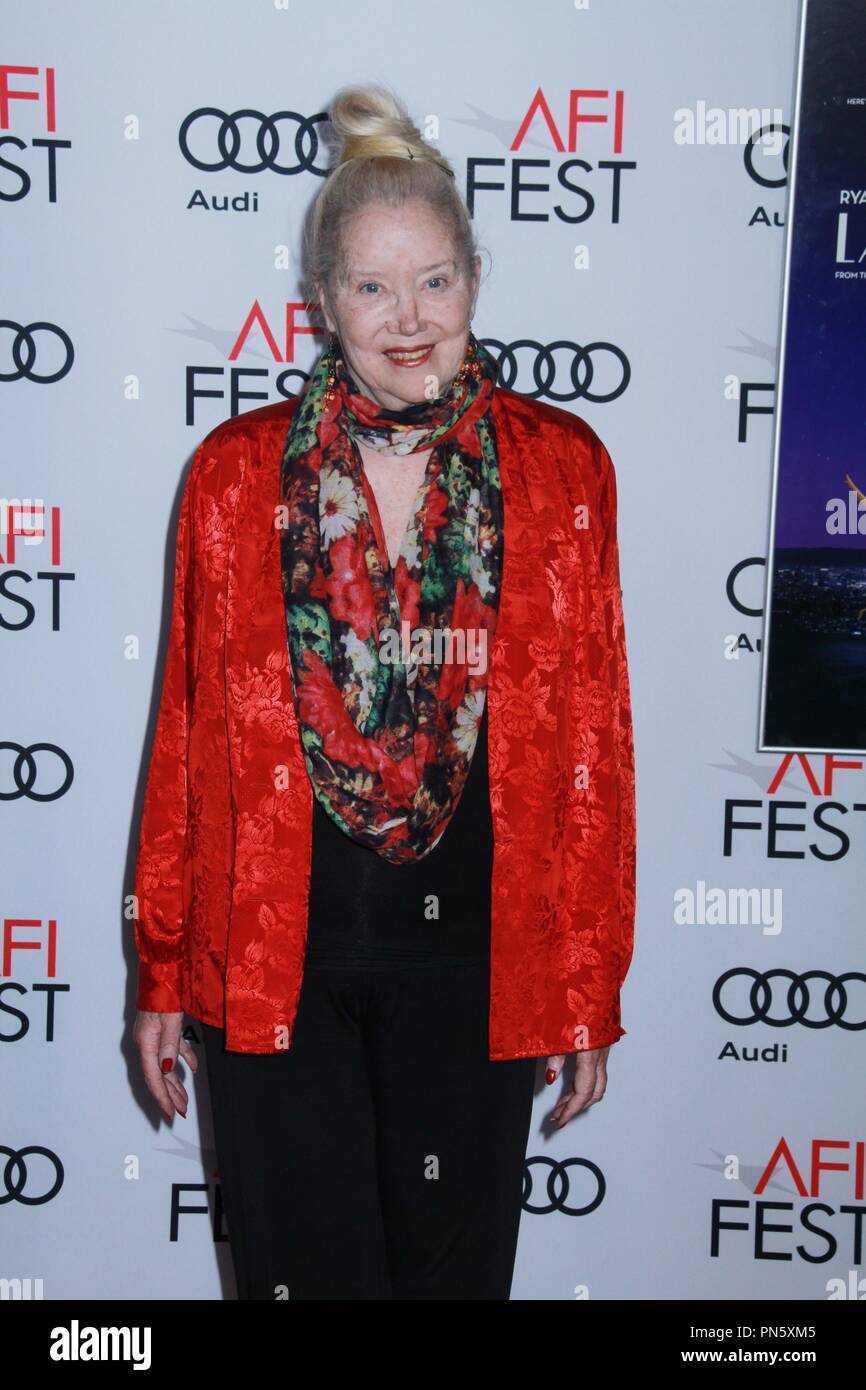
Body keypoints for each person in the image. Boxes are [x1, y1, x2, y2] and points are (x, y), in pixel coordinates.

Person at [131, 82, 636, 1301]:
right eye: (369, 286)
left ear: (474, 275)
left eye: (432, 281)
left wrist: (581, 986)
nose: (405, 319)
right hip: (278, 961)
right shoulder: (234, 477)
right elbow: (188, 733)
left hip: (472, 966)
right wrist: (162, 966)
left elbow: (592, 743)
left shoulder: (561, 466)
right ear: (321, 304)